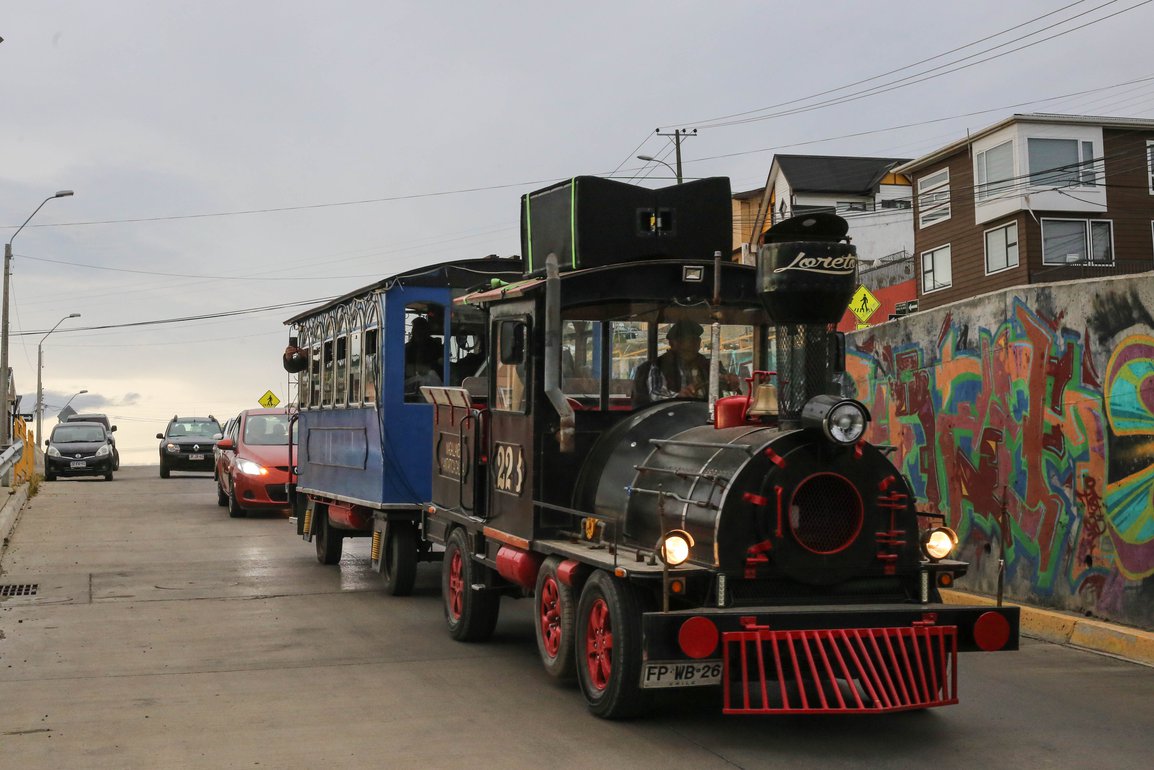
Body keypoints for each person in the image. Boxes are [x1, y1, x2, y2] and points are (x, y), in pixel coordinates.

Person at [632, 320, 740, 408]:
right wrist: (678, 397)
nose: (695, 343)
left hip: (706, 420)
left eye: (696, 339)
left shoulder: (708, 365)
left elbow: (725, 381)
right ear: (673, 343)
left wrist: (730, 381)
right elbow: (656, 394)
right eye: (689, 339)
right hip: (670, 422)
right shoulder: (657, 366)